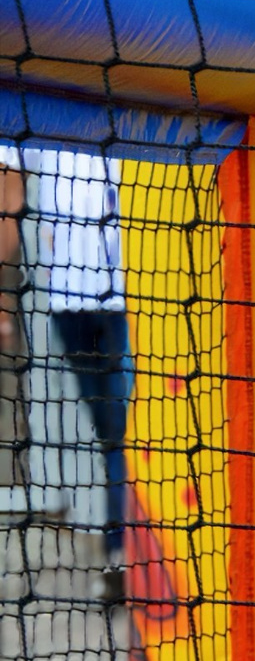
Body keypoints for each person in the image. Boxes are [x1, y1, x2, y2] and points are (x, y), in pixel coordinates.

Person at [0, 144, 130, 590]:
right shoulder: (47, 104)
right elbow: (7, 194)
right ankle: (121, 559)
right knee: (110, 435)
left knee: (128, 431)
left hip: (132, 304)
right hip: (71, 304)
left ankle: (127, 560)